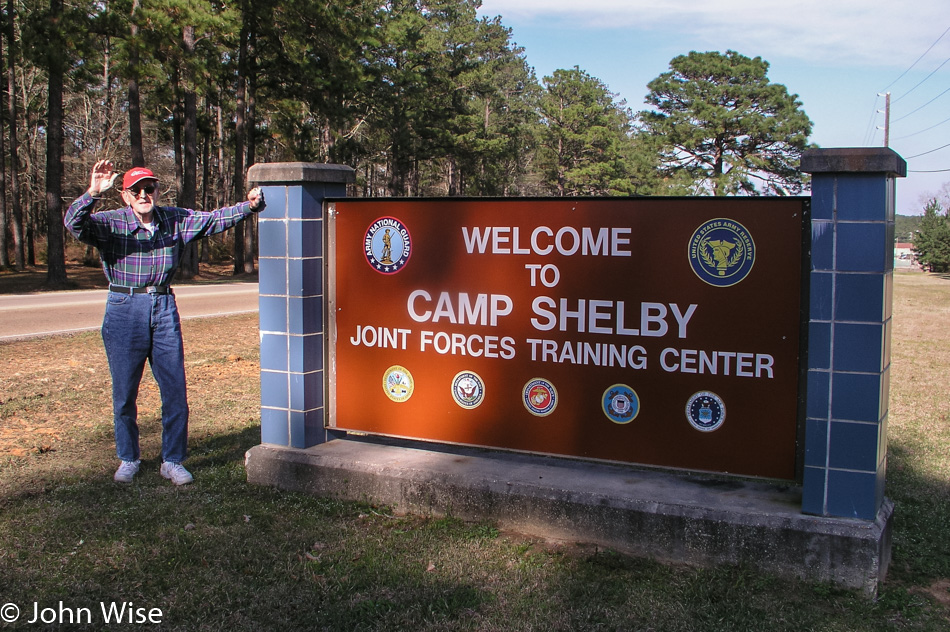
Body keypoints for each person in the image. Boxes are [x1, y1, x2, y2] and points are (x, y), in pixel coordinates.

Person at [64, 160, 265, 485]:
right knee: (125, 392)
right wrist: (92, 193)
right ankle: (128, 457)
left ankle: (172, 460)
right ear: (126, 196)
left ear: (157, 190)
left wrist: (249, 206)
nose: (144, 194)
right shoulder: (110, 222)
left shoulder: (173, 219)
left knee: (174, 390)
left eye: (149, 188)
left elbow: (213, 220)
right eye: (136, 190)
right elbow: (74, 224)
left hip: (163, 307)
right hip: (123, 307)